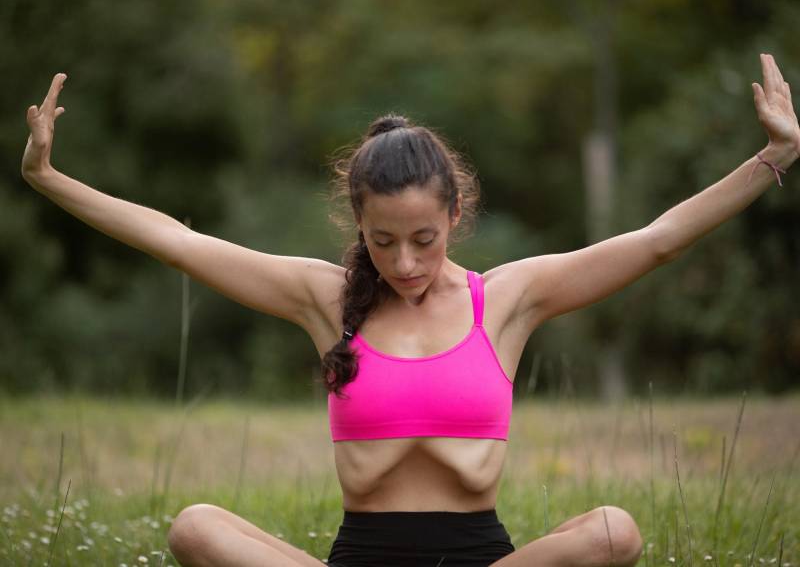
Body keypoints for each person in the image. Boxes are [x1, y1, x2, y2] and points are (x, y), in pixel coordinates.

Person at [21, 53, 798, 567]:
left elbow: (656, 240)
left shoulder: (509, 300)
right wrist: (51, 179)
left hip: (484, 559)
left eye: (423, 239)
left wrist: (772, 160)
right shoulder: (327, 299)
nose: (405, 264)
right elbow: (178, 242)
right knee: (194, 526)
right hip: (358, 557)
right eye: (383, 241)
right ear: (358, 226)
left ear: (455, 213)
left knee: (613, 532)